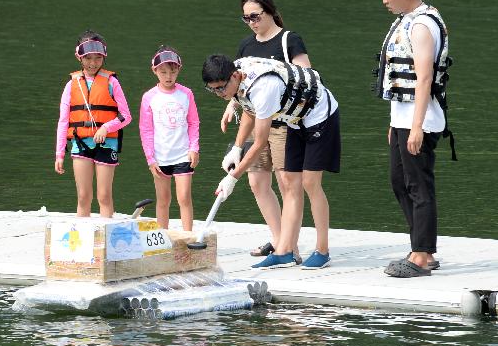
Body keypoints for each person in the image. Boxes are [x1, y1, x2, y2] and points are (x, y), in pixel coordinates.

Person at [202, 54, 341, 269]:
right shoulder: (238, 77)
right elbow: (248, 108)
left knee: (310, 183)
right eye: (213, 90)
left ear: (235, 76)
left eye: (221, 88)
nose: (220, 94)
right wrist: (237, 148)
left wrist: (233, 177)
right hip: (295, 119)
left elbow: (259, 143)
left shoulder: (263, 87)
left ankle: (322, 251)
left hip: (319, 114)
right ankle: (284, 252)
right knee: (291, 183)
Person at [373, 0, 454, 278]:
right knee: (399, 181)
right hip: (403, 118)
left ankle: (423, 254)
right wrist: (396, 122)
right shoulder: (405, 21)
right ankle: (418, 246)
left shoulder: (421, 25)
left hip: (422, 120)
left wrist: (417, 126)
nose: (384, 1)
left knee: (419, 186)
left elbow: (423, 79)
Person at [221, 0, 310, 262]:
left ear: (269, 11)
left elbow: (307, 77)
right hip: (254, 118)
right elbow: (241, 83)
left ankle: (290, 245)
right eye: (246, 18)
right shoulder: (246, 46)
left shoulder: (289, 40)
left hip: (283, 123)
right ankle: (277, 238)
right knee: (257, 181)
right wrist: (231, 104)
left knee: (286, 182)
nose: (252, 23)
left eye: (255, 16)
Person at [54, 30, 132, 218]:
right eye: (88, 58)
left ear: (103, 57)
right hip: (80, 144)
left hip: (106, 144)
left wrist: (106, 127)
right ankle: (83, 241)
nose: (93, 63)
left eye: (98, 58)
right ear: (79, 57)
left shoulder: (112, 82)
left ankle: (105, 241)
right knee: (83, 196)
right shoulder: (71, 84)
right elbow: (64, 120)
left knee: (104, 196)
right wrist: (59, 154)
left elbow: (126, 116)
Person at [139, 46, 200, 231]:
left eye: (173, 71)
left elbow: (194, 123)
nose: (168, 76)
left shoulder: (186, 93)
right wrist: (150, 158)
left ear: (178, 70)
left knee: (184, 197)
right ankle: (162, 238)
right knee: (163, 199)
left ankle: (188, 237)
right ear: (154, 71)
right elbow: (146, 129)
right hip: (160, 156)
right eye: (163, 72)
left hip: (183, 154)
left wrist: (194, 148)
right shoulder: (149, 97)